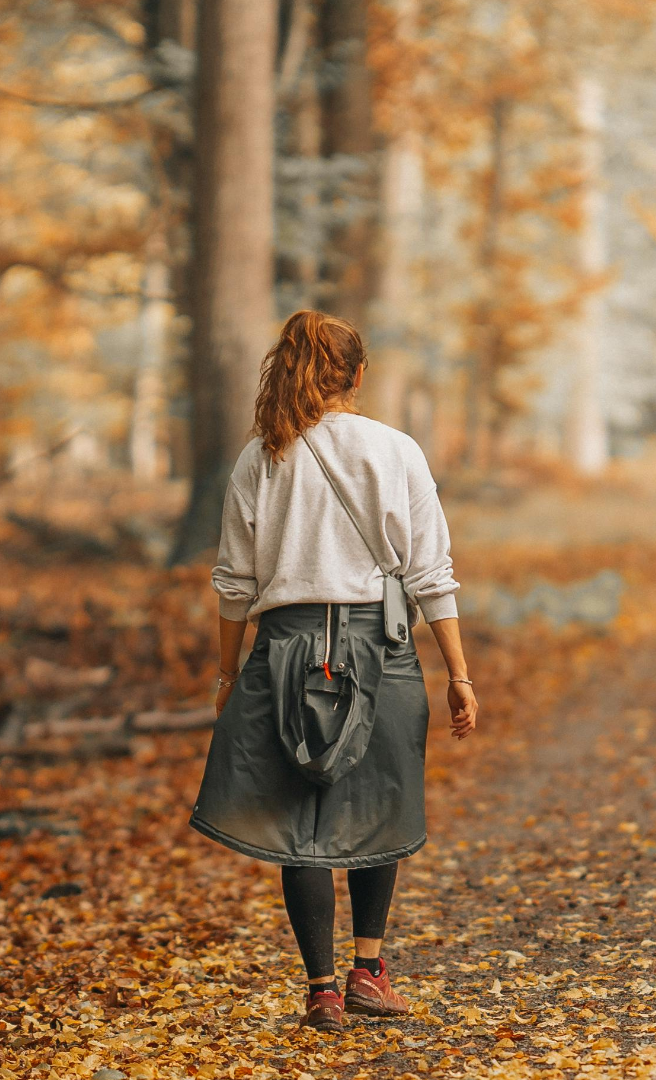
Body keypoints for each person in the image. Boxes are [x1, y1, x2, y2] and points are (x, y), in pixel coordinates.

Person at [189, 310, 479, 1031]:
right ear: (356, 374)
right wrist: (459, 675)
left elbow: (233, 582)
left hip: (284, 651)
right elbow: (431, 573)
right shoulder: (397, 450)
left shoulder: (263, 455)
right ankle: (369, 973)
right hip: (380, 650)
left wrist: (229, 676)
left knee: (300, 820)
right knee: (380, 803)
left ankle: (321, 987)